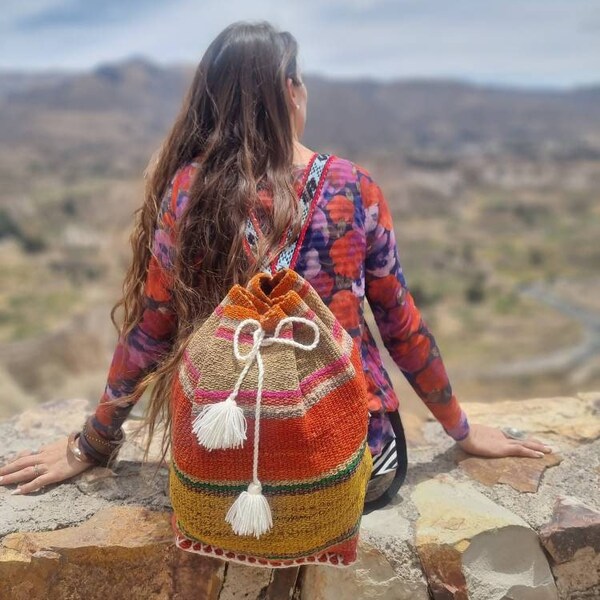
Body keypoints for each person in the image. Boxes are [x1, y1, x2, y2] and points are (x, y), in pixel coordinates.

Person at [0, 21, 552, 499]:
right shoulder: (353, 189)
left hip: (220, 469)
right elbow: (400, 325)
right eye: (303, 80)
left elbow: (151, 332)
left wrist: (93, 443)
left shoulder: (187, 194)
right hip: (351, 469)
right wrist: (462, 429)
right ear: (290, 90)